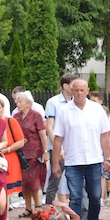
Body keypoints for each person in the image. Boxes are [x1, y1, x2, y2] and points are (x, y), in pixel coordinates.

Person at [52, 79, 110, 220]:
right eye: (76, 90)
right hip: (73, 161)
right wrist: (55, 163)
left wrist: (107, 158)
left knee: (95, 196)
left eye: (82, 90)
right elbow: (58, 139)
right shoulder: (64, 111)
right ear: (71, 91)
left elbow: (104, 135)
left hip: (94, 159)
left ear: (87, 91)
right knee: (75, 197)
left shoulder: (97, 110)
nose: (79, 93)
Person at [44, 73, 76, 206]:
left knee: (75, 181)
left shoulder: (77, 102)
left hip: (73, 147)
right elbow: (49, 127)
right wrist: (59, 149)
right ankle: (48, 211)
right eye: (73, 85)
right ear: (65, 86)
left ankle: (75, 211)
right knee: (55, 180)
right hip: (58, 148)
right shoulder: (53, 102)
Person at [13, 92, 46, 218]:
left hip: (34, 153)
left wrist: (45, 152)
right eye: (17, 101)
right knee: (24, 181)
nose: (18, 104)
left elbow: (43, 135)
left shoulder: (36, 116)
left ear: (28, 103)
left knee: (33, 181)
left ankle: (38, 205)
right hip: (20, 153)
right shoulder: (16, 116)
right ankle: (28, 208)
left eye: (20, 102)